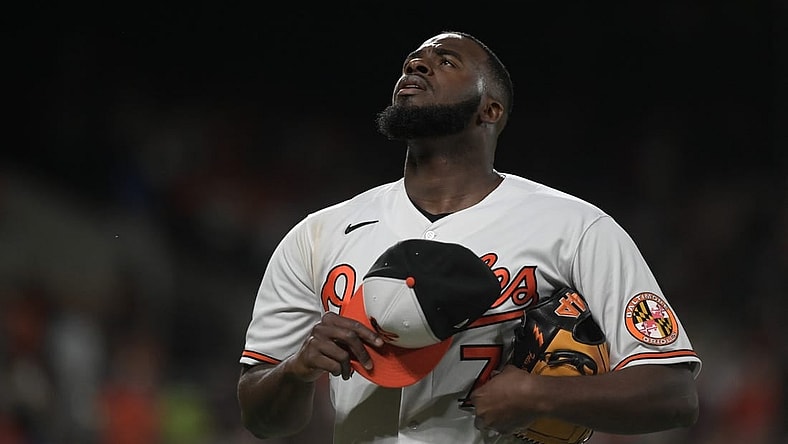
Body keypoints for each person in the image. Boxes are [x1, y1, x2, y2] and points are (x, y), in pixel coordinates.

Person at [237, 31, 701, 443]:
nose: (416, 65)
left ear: (490, 109)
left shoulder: (575, 229)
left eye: (445, 61)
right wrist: (295, 370)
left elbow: (674, 394)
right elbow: (264, 421)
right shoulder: (319, 234)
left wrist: (543, 393)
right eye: (412, 61)